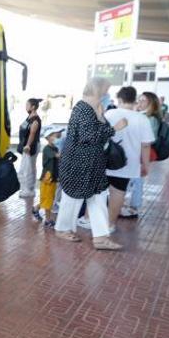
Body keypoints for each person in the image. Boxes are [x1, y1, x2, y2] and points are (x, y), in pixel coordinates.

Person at [54, 77, 127, 250]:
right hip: (80, 165)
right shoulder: (85, 109)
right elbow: (89, 137)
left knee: (98, 198)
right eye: (105, 90)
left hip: (91, 165)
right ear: (98, 90)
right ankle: (63, 229)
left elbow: (96, 133)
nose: (106, 94)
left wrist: (102, 117)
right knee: (73, 198)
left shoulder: (92, 108)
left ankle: (101, 237)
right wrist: (114, 128)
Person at [104, 86, 154, 231]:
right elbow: (146, 145)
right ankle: (110, 225)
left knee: (99, 193)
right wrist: (145, 165)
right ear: (134, 100)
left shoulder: (110, 113)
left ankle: (94, 221)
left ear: (119, 99)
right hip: (127, 163)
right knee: (118, 192)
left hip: (105, 160)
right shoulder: (142, 118)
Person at [121, 91, 162, 219]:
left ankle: (133, 207)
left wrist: (145, 163)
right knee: (133, 180)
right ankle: (129, 206)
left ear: (151, 103)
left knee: (136, 180)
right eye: (139, 100)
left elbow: (148, 140)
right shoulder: (140, 115)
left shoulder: (151, 119)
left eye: (143, 100)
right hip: (135, 152)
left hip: (139, 153)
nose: (140, 102)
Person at [32, 125, 63, 227]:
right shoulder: (47, 149)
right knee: (48, 200)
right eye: (55, 135)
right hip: (47, 179)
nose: (58, 137)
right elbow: (58, 156)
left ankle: (36, 209)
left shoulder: (54, 148)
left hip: (52, 178)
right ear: (48, 137)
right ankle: (48, 220)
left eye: (58, 136)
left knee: (47, 198)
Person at [17, 98, 43, 199]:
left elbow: (32, 133)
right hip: (27, 145)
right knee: (29, 167)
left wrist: (28, 145)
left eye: (27, 105)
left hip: (31, 146)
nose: (26, 107)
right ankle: (29, 188)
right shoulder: (29, 117)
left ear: (33, 107)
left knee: (28, 168)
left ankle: (28, 190)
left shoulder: (35, 119)